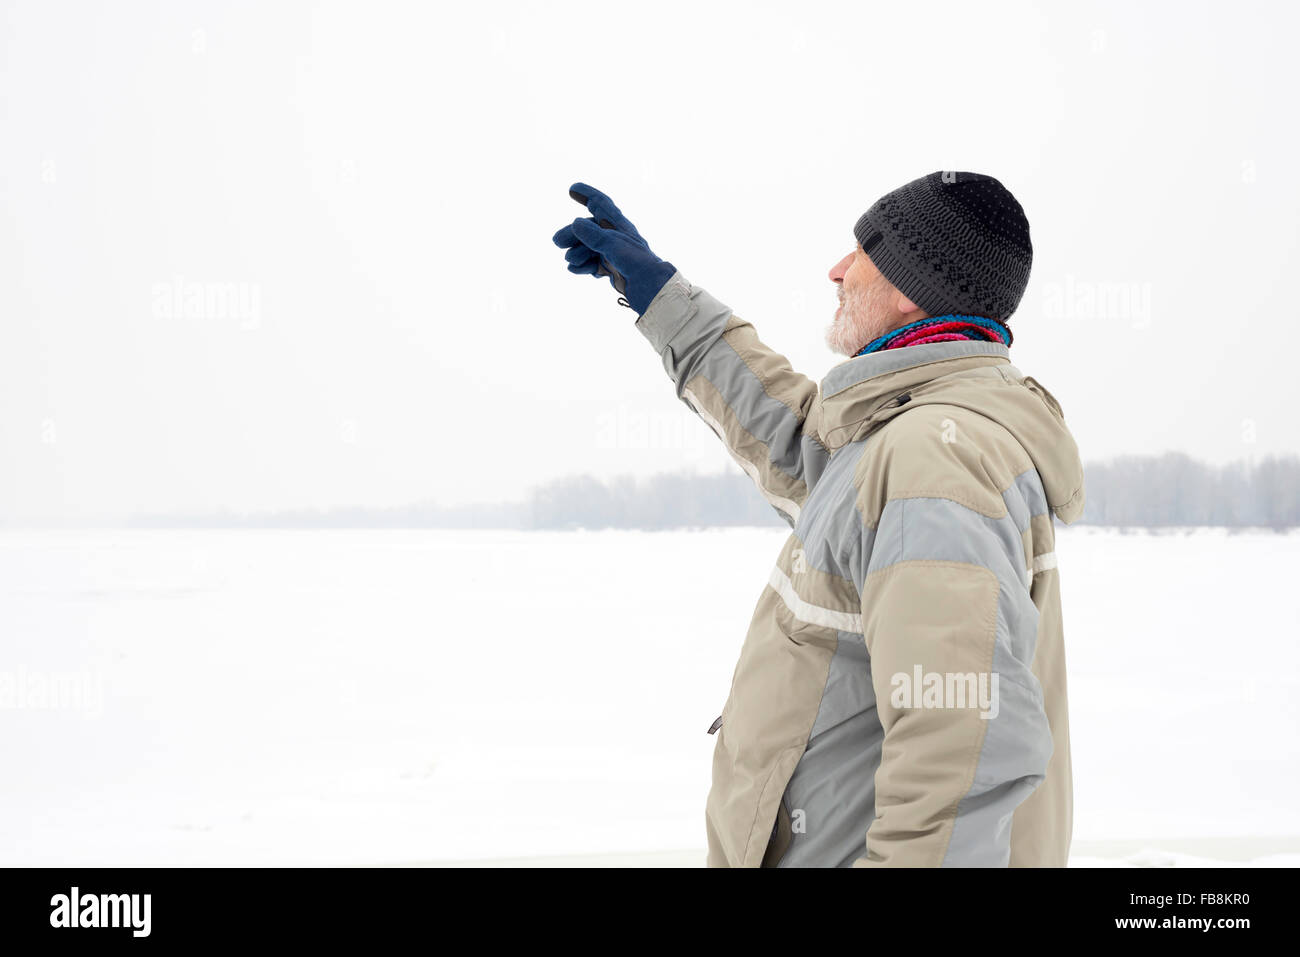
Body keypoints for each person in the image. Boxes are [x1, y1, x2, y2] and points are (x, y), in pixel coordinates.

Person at [552, 172, 1085, 867]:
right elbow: (802, 446)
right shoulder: (905, 436)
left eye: (862, 250)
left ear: (909, 286)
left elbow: (959, 756)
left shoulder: (934, 460)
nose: (837, 270)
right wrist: (663, 298)